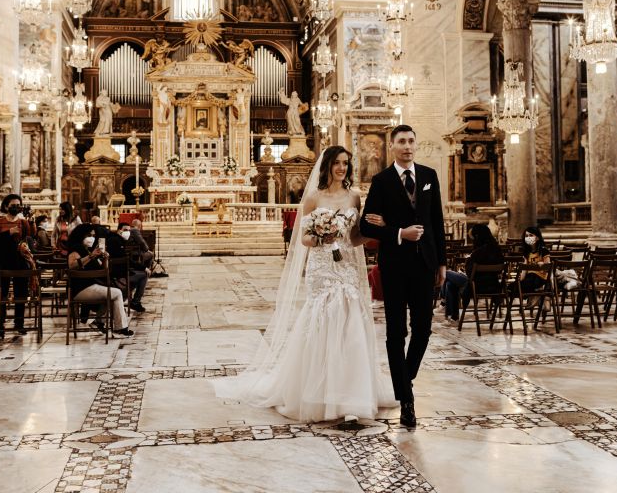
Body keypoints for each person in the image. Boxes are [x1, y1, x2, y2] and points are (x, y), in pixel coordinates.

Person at [214, 146, 394, 422]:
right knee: (322, 320)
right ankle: (318, 393)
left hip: (346, 266)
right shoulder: (313, 197)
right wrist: (323, 235)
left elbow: (356, 237)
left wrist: (377, 231)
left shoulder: (354, 197)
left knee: (351, 323)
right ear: (327, 166)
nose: (342, 168)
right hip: (322, 268)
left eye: (346, 163)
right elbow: (304, 239)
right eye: (337, 163)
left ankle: (351, 396)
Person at [359, 124, 447, 428]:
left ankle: (404, 378)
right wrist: (398, 232)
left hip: (425, 264)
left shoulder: (429, 176)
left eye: (411, 141)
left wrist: (442, 263)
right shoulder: (381, 181)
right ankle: (406, 401)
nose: (407, 146)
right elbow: (366, 225)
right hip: (394, 266)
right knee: (396, 333)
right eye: (402, 141)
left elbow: (436, 222)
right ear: (392, 146)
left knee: (423, 329)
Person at [66, 224, 133, 337]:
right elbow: (72, 266)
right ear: (81, 235)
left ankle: (99, 322)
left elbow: (104, 271)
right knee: (116, 293)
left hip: (91, 285)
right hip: (80, 288)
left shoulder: (88, 250)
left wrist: (105, 258)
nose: (92, 238)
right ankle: (120, 329)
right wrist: (91, 256)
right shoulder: (76, 249)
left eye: (93, 236)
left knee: (113, 292)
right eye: (89, 235)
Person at [441, 224, 503, 325]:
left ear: (477, 236)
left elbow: (469, 273)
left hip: (475, 285)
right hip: (493, 284)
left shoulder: (478, 252)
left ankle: (444, 303)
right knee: (450, 284)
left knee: (446, 273)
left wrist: (468, 262)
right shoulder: (497, 250)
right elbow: (499, 270)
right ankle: (453, 318)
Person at [0, 226, 35, 338]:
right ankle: (0, 324)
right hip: (2, 263)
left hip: (19, 263)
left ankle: (19, 322)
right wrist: (9, 232)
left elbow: (30, 235)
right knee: (1, 294)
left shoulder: (22, 223)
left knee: (21, 292)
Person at [105, 222, 149, 312]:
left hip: (118, 270)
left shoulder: (116, 239)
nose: (127, 232)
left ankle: (125, 297)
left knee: (138, 275)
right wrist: (143, 267)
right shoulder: (116, 241)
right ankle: (135, 301)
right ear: (119, 230)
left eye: (129, 230)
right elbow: (126, 260)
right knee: (144, 274)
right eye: (125, 230)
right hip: (117, 273)